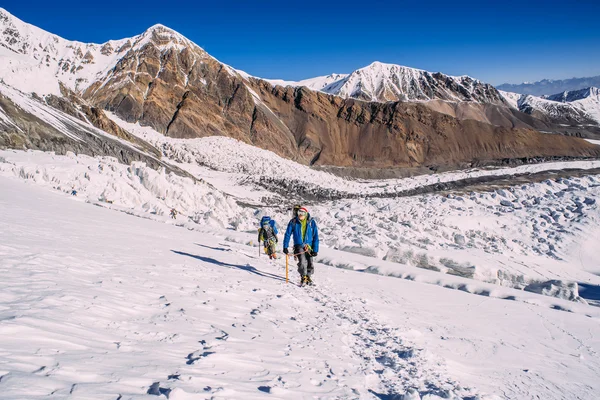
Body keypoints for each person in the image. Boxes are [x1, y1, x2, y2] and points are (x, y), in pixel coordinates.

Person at [283, 206, 319, 286]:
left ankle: (308, 277)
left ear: (306, 214)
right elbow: (287, 234)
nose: (300, 214)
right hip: (298, 245)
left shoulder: (311, 222)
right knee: (302, 262)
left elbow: (315, 235)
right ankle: (303, 277)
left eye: (303, 213)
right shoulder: (293, 222)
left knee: (310, 262)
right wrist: (285, 246)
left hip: (309, 246)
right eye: (299, 212)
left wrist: (315, 249)